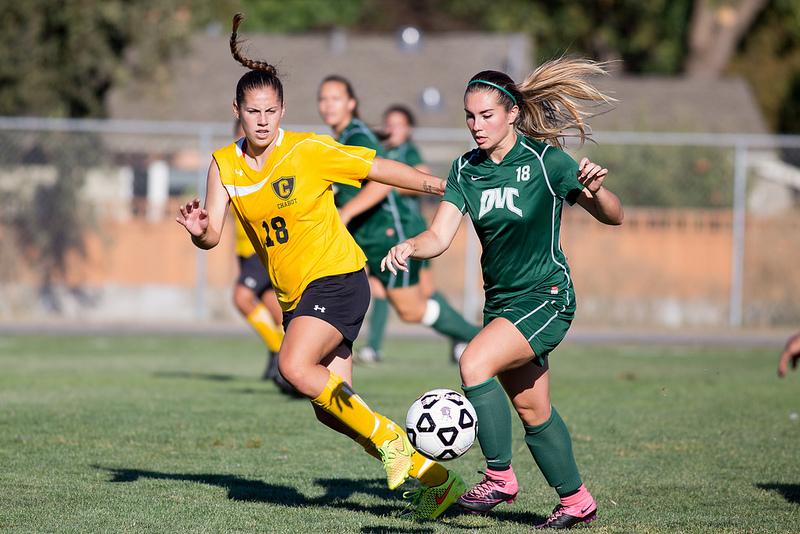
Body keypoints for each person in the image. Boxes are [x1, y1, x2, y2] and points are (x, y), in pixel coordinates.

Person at [176, 14, 464, 521]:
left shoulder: (307, 150)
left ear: (283, 110)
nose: (262, 120)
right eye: (252, 111)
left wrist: (442, 187)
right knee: (333, 411)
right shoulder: (224, 164)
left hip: (338, 278)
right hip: (297, 298)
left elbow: (377, 167)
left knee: (292, 368)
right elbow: (213, 236)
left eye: (271, 110)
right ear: (236, 111)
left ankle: (395, 441)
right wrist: (200, 229)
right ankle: (436, 482)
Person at [381, 59, 624, 529]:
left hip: (547, 296)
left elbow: (614, 216)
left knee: (473, 363)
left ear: (512, 113)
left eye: (487, 115)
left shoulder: (546, 161)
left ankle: (498, 477)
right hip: (503, 304)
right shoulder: (464, 170)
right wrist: (411, 246)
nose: (477, 125)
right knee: (534, 410)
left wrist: (596, 191)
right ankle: (577, 501)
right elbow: (440, 236)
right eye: (470, 116)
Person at [318, 77, 480, 364]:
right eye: (323, 98)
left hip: (387, 234)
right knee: (375, 293)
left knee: (411, 311)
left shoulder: (358, 138)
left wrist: (347, 213)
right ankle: (347, 354)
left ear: (351, 104)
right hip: (367, 238)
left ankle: (478, 337)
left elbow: (382, 184)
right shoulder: (341, 139)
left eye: (335, 98)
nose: (328, 105)